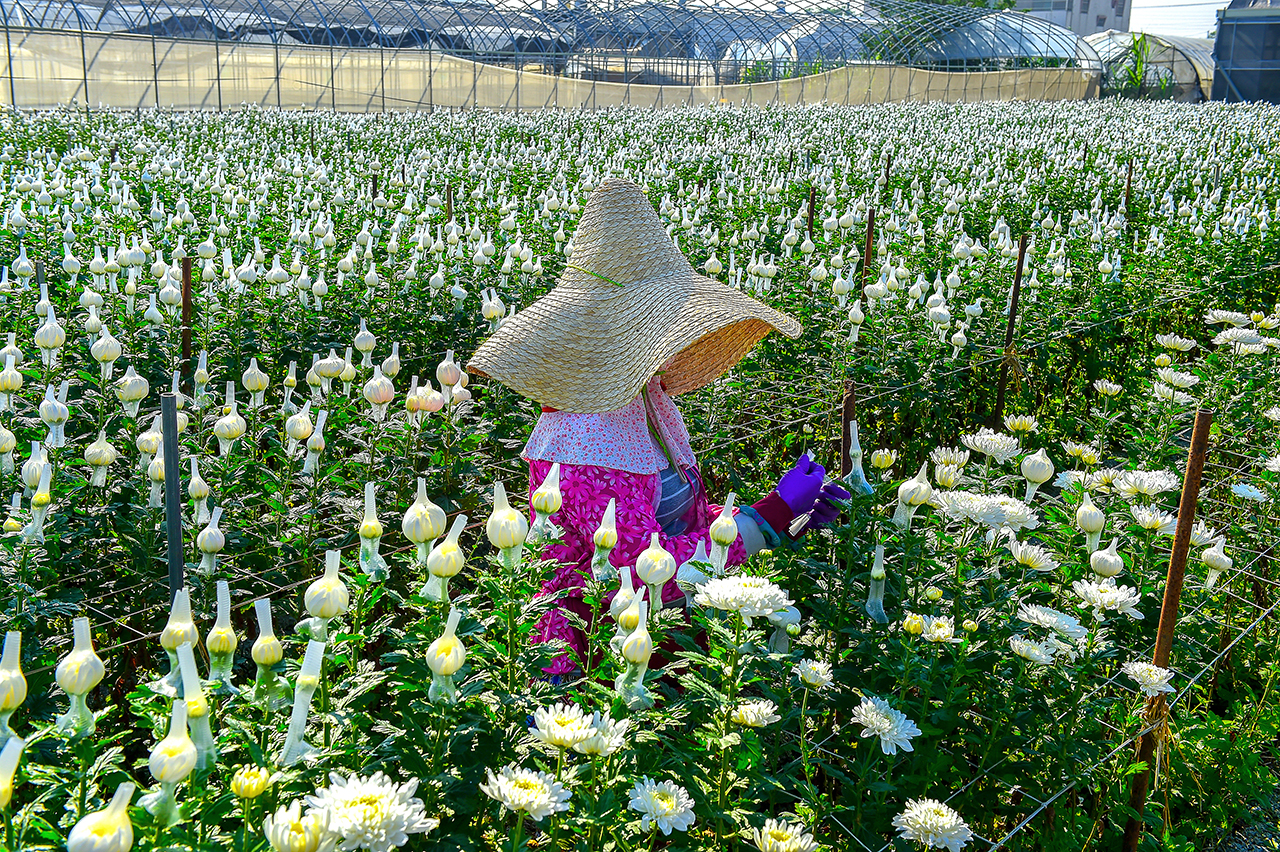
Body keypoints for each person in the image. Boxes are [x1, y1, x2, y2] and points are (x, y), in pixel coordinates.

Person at [467, 178, 848, 676]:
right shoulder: (581, 442)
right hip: (596, 665)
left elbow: (680, 519)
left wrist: (780, 518)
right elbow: (644, 570)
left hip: (659, 641)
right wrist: (765, 519)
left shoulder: (646, 399)